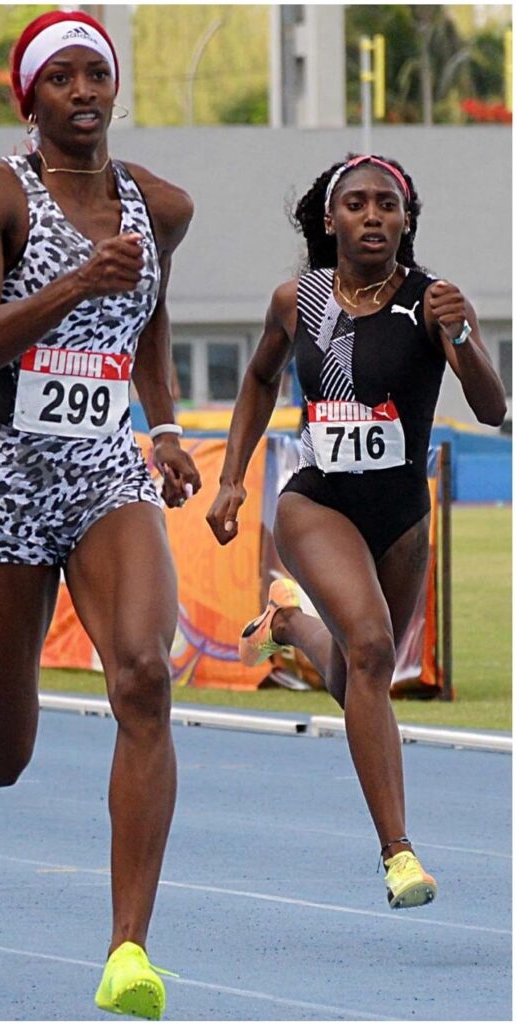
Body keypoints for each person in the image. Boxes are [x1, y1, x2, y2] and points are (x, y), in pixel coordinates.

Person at [0, 11, 199, 1021]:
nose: (82, 91)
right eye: (58, 78)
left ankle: (127, 953)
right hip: (12, 468)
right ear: (31, 99)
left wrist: (167, 426)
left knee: (144, 674)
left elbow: (148, 318)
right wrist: (70, 284)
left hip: (107, 467)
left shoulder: (158, 205)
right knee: (2, 758)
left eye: (93, 74)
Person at [207, 154, 506, 910]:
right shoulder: (296, 299)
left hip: (401, 511)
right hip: (317, 504)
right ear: (328, 219)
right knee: (372, 649)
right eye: (356, 204)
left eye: (387, 205)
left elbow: (492, 408)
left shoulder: (428, 300)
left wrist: (463, 333)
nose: (372, 216)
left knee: (356, 677)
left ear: (405, 222)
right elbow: (256, 380)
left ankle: (289, 625)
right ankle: (397, 851)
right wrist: (233, 477)